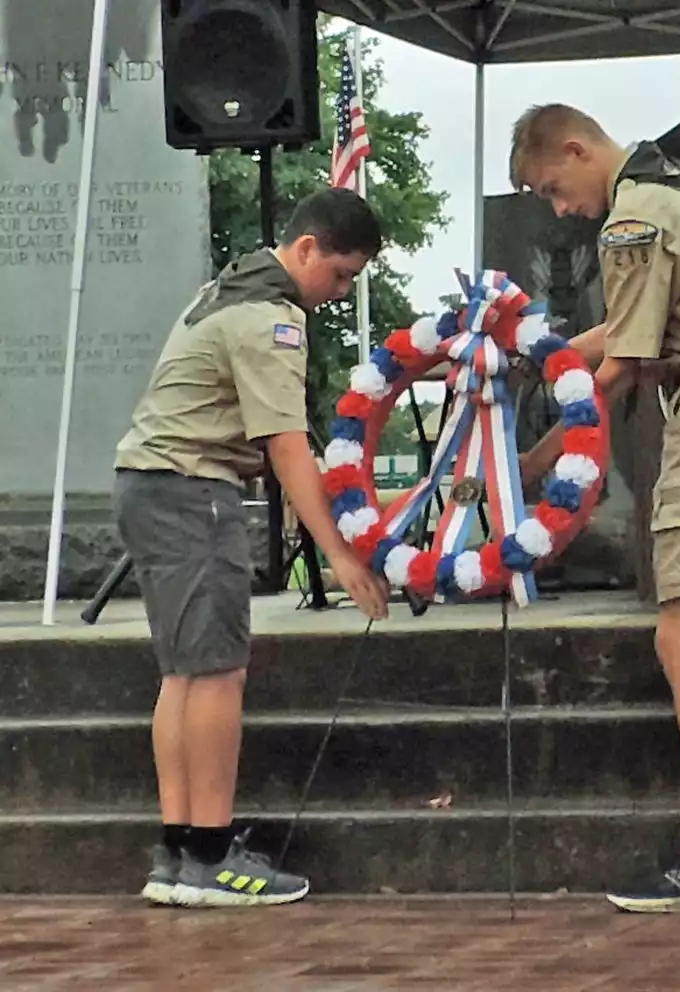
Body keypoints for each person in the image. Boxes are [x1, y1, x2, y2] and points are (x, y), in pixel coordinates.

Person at [509, 104, 680, 912]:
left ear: (576, 147)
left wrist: (532, 460)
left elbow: (626, 360)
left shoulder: (640, 213)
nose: (560, 208)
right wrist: (535, 351)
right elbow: (630, 327)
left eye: (553, 187)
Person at [114, 188, 391, 908]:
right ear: (306, 248)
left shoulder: (224, 287)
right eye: (339, 275)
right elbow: (286, 444)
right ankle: (210, 857)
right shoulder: (268, 318)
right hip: (191, 492)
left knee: (184, 673)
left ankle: (178, 852)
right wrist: (338, 551)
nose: (338, 293)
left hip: (149, 485)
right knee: (216, 674)